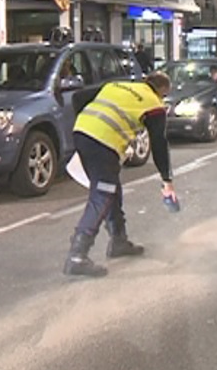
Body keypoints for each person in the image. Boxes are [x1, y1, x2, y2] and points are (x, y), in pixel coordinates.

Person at [63, 71, 177, 277]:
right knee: (103, 193)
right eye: (165, 95)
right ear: (161, 91)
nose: (163, 99)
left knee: (111, 187)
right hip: (103, 142)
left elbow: (78, 97)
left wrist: (89, 126)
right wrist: (166, 178)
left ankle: (118, 240)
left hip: (81, 133)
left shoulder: (116, 86)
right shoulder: (153, 104)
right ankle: (77, 255)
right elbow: (159, 144)